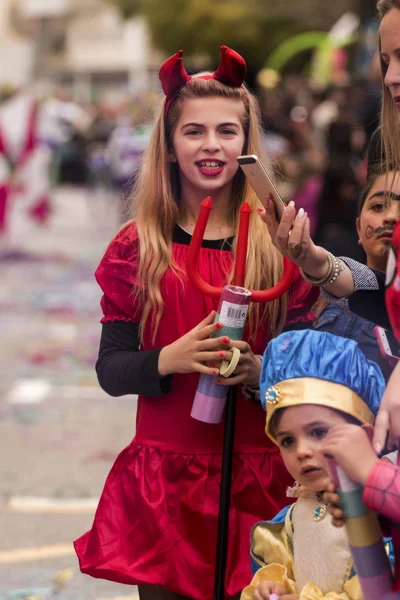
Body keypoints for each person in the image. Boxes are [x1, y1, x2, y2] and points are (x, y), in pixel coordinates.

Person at [73, 46, 319, 600]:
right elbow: (111, 370)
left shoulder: (279, 247)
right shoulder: (140, 247)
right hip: (167, 489)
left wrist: (260, 369)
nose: (211, 144)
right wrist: (170, 359)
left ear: (247, 145)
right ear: (168, 145)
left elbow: (312, 371)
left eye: (227, 131)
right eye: (194, 132)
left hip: (263, 480)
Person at [240, 328, 385, 600]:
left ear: (364, 433)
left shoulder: (379, 515)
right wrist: (276, 588)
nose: (302, 451)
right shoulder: (294, 518)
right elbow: (294, 576)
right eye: (286, 441)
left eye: (318, 432)